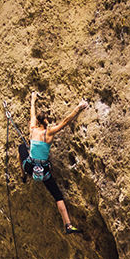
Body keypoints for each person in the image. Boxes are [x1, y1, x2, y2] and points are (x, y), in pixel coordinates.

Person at [22, 91, 88, 233]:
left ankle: (24, 174)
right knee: (57, 196)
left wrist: (33, 99)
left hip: (30, 166)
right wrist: (79, 107)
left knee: (22, 148)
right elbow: (65, 122)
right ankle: (68, 225)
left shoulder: (32, 129)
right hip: (44, 171)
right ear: (45, 121)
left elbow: (32, 115)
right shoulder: (49, 133)